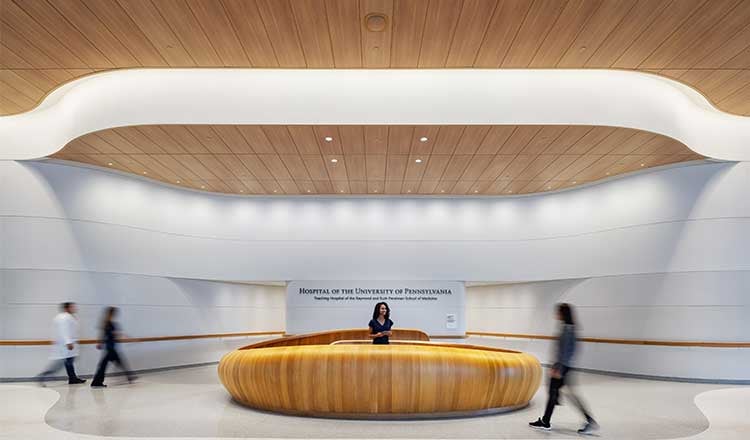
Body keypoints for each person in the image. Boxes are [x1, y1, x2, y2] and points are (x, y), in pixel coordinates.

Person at [529, 303, 599, 434]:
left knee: (558, 393)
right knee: (555, 393)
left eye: (558, 312)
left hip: (562, 367)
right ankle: (546, 420)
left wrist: (559, 369)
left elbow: (566, 352)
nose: (556, 314)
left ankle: (588, 420)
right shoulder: (569, 327)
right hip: (564, 366)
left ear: (563, 314)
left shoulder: (567, 329)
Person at [36, 302, 86, 385]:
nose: (74, 308)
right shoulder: (64, 317)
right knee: (61, 364)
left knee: (68, 362)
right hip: (65, 345)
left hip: (66, 345)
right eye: (72, 307)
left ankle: (73, 378)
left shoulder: (65, 317)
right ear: (67, 308)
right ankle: (42, 376)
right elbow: (64, 330)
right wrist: (68, 342)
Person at [91, 307, 136, 387]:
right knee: (113, 363)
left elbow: (104, 334)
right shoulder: (109, 323)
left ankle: (130, 376)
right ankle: (96, 382)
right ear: (112, 313)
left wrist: (100, 342)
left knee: (108, 364)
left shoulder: (108, 323)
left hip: (110, 347)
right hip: (110, 348)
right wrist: (128, 338)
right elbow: (113, 334)